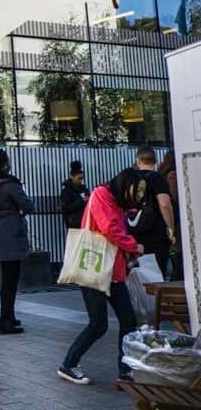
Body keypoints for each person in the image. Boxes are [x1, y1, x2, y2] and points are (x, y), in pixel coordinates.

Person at [58, 168, 143, 385]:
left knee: (128, 320)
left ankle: (125, 370)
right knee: (99, 324)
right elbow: (110, 229)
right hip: (94, 268)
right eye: (137, 190)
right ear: (125, 185)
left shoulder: (117, 201)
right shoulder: (101, 195)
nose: (139, 195)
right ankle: (68, 365)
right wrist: (134, 245)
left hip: (113, 271)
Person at [0, 149, 35, 335]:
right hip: (11, 235)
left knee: (7, 278)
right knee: (11, 280)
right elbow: (29, 206)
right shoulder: (9, 184)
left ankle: (8, 317)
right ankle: (5, 321)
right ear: (5, 164)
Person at [131, 145, 176, 279]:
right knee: (157, 273)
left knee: (138, 273)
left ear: (138, 161)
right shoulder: (157, 178)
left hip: (135, 234)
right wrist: (171, 228)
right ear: (155, 161)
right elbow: (164, 204)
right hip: (156, 234)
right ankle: (155, 299)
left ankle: (141, 300)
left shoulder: (131, 180)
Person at [158, 151, 183, 281]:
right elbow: (175, 200)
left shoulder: (160, 174)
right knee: (178, 256)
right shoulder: (173, 176)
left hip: (164, 221)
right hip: (175, 220)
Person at [60, 161, 89, 229]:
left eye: (82, 178)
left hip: (85, 222)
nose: (80, 181)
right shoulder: (66, 191)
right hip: (74, 224)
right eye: (79, 178)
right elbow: (66, 208)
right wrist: (82, 201)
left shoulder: (83, 189)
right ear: (72, 177)